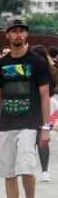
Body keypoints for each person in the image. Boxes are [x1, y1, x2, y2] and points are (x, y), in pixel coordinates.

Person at [0, 20, 51, 198]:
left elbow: (44, 95)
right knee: (9, 171)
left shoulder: (37, 62)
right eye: (14, 32)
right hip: (7, 124)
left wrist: (46, 126)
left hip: (30, 123)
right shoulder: (0, 65)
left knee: (25, 167)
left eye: (21, 31)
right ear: (8, 36)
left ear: (26, 35)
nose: (18, 35)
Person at [30, 45, 57, 183]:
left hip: (37, 107)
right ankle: (45, 171)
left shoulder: (36, 71)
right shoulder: (51, 71)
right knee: (41, 139)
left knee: (37, 138)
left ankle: (39, 169)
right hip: (45, 108)